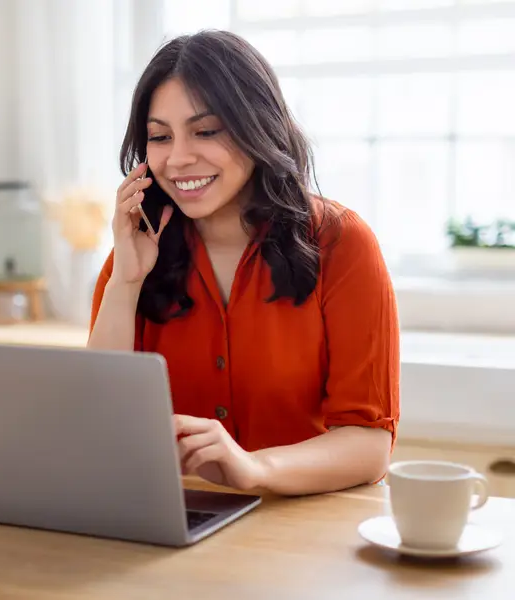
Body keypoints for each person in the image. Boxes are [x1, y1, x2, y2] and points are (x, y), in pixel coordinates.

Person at [88, 30, 400, 497]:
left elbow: (368, 444)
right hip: (174, 521)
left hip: (300, 530)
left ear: (258, 127)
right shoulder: (134, 253)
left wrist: (253, 468)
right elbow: (99, 425)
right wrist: (126, 284)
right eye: (159, 137)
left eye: (206, 130)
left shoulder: (341, 242)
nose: (178, 159)